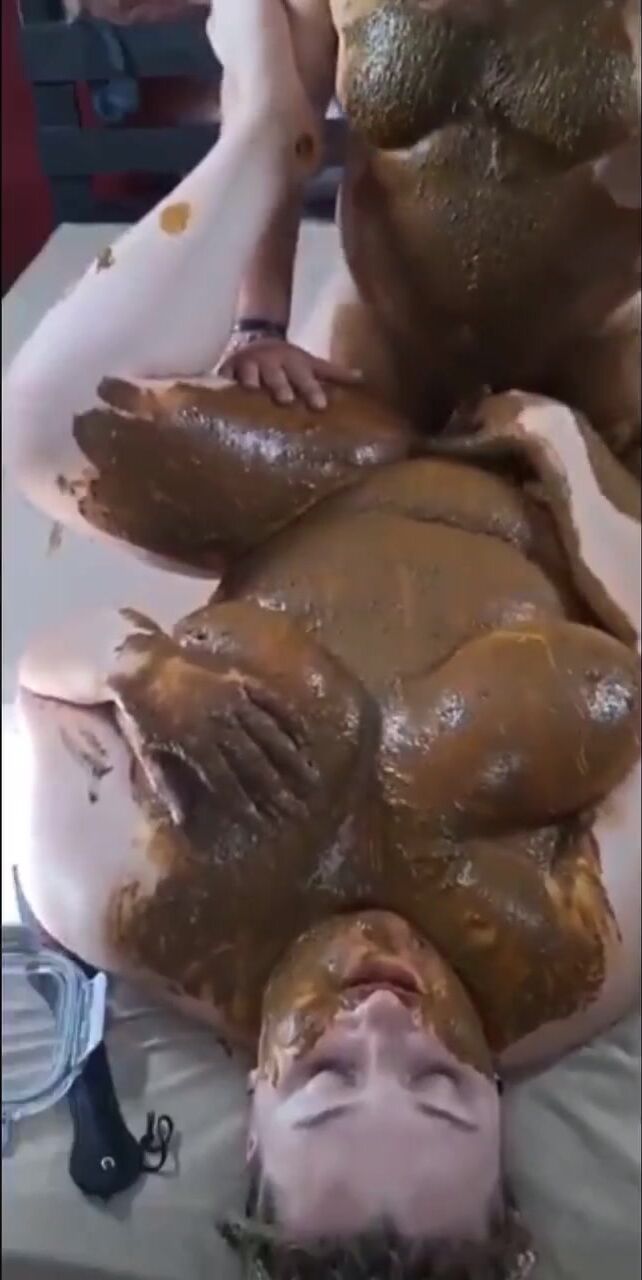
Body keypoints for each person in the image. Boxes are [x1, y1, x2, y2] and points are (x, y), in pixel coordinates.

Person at [2, 3, 640, 1277]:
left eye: (327, 1077)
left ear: (252, 1118)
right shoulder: (580, 954)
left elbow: (40, 682)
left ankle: (259, 129)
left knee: (44, 433)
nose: (384, 1022)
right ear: (499, 1110)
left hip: (322, 475)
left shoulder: (129, 900)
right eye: (443, 1085)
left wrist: (139, 666)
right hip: (552, 479)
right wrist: (564, 463)